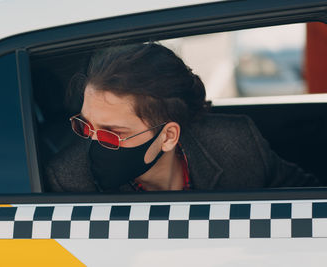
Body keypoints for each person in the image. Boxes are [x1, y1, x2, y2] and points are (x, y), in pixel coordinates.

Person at [45, 42, 320, 192]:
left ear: (168, 136)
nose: (93, 143)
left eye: (113, 133)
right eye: (85, 127)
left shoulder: (236, 142)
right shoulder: (69, 179)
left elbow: (308, 204)